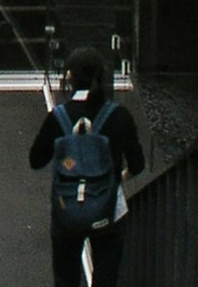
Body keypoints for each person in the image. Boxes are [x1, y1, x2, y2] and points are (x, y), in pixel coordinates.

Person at [29, 46, 145, 287]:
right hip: (109, 210)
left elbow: (36, 159)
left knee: (66, 277)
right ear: (101, 76)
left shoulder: (58, 117)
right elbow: (138, 164)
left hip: (66, 210)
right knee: (106, 277)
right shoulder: (119, 115)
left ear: (69, 76)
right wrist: (116, 178)